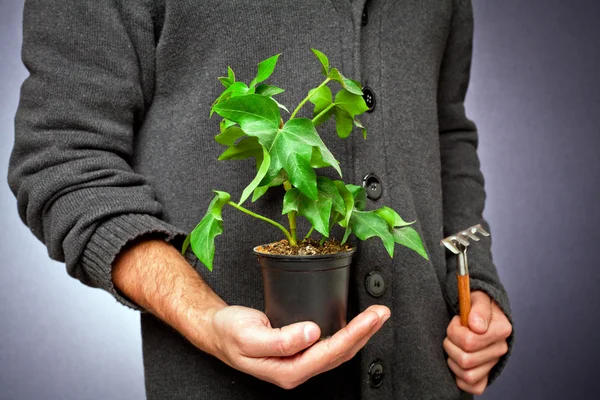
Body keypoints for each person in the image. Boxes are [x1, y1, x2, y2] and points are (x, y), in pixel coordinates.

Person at [8, 0, 513, 399]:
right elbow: (62, 156)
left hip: (430, 381)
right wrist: (204, 318)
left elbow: (446, 136)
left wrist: (475, 283)